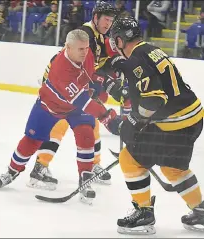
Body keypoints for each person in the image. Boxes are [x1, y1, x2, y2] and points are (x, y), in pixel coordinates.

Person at [0, 29, 122, 205]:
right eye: (80, 49)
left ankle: (85, 179)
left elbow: (92, 75)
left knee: (86, 135)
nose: (85, 53)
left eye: (86, 48)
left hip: (76, 106)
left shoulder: (87, 52)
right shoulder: (61, 68)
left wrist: (105, 83)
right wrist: (108, 118)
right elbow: (84, 101)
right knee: (32, 140)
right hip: (51, 106)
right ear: (67, 48)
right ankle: (12, 171)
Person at [109, 17, 204, 234]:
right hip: (192, 118)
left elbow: (154, 99)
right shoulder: (150, 50)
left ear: (119, 40)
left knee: (129, 160)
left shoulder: (136, 58)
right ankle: (202, 213)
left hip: (174, 124)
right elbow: (156, 83)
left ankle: (143, 214)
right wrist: (127, 76)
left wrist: (135, 122)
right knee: (173, 167)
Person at [27, 1, 129, 190]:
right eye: (106, 19)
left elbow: (101, 64)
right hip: (62, 85)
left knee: (91, 124)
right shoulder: (87, 36)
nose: (109, 23)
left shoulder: (100, 36)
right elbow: (88, 70)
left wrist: (117, 70)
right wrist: (109, 84)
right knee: (60, 124)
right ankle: (40, 167)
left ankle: (91, 165)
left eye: (111, 20)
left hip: (77, 84)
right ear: (96, 17)